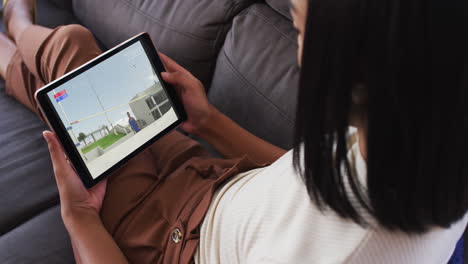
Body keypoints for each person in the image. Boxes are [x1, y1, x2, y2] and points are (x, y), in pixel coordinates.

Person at [0, 0, 467, 263]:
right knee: (81, 75)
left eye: (299, 30)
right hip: (212, 179)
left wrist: (80, 217)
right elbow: (304, 179)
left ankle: (14, 26)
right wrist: (209, 122)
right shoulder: (423, 144)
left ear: (350, 66)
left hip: (168, 238)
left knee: (71, 50)